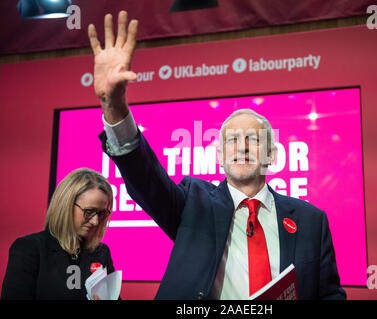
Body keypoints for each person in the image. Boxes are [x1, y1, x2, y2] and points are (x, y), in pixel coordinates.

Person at [89, 11, 346, 300]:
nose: (243, 147)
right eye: (233, 141)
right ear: (221, 156)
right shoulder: (193, 204)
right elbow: (145, 176)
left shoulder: (312, 221)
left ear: (273, 155)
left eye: (253, 139)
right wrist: (114, 105)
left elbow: (330, 295)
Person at [1, 168, 115, 300]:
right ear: (65, 205)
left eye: (101, 213)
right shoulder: (30, 249)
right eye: (89, 212)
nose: (95, 221)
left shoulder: (101, 253)